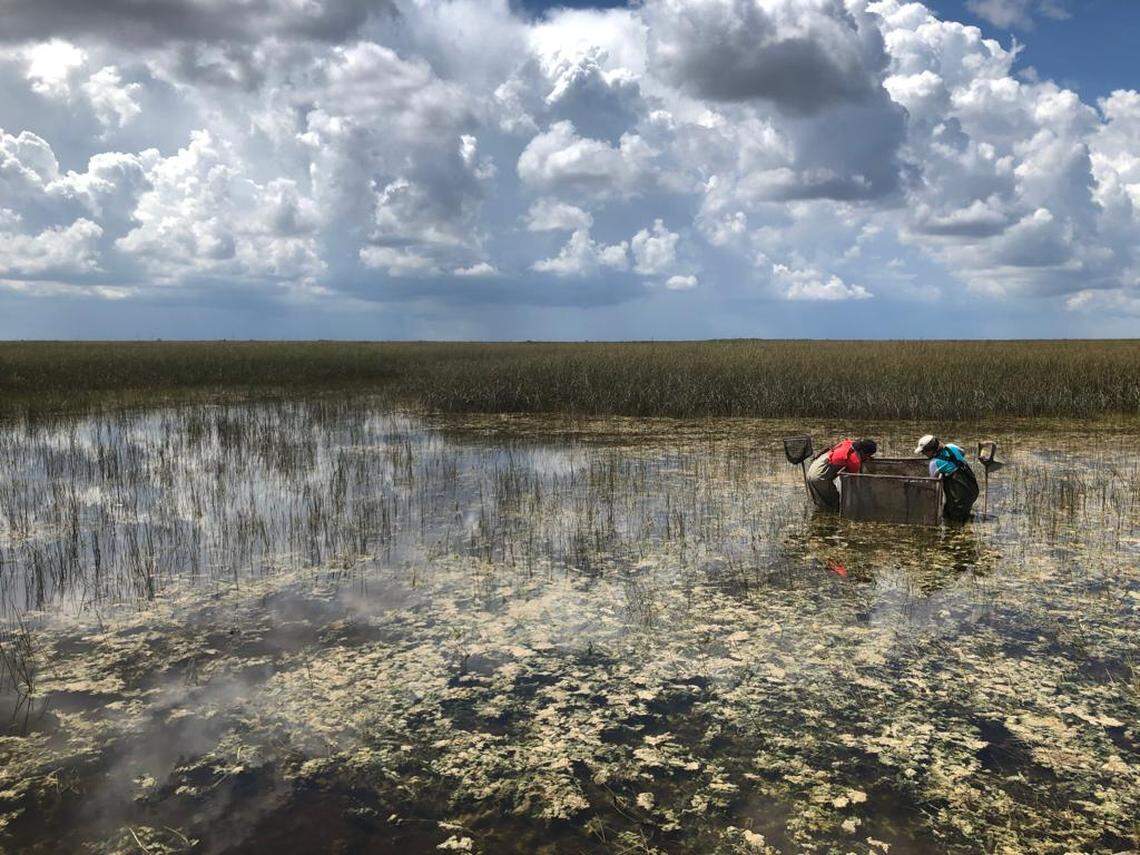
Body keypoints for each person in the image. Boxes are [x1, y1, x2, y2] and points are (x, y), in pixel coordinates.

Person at [915, 434, 979, 522]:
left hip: (959, 497)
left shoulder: (934, 463)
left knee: (952, 521)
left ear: (931, 450)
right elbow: (962, 453)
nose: (923, 453)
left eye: (924, 451)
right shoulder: (951, 446)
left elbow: (932, 482)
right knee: (963, 512)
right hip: (972, 490)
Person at [806, 438, 877, 512]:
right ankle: (830, 519)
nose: (868, 457)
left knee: (821, 501)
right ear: (863, 452)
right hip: (819, 476)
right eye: (868, 455)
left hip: (814, 467)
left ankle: (820, 516)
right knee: (833, 503)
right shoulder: (854, 461)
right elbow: (852, 483)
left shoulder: (848, 443)